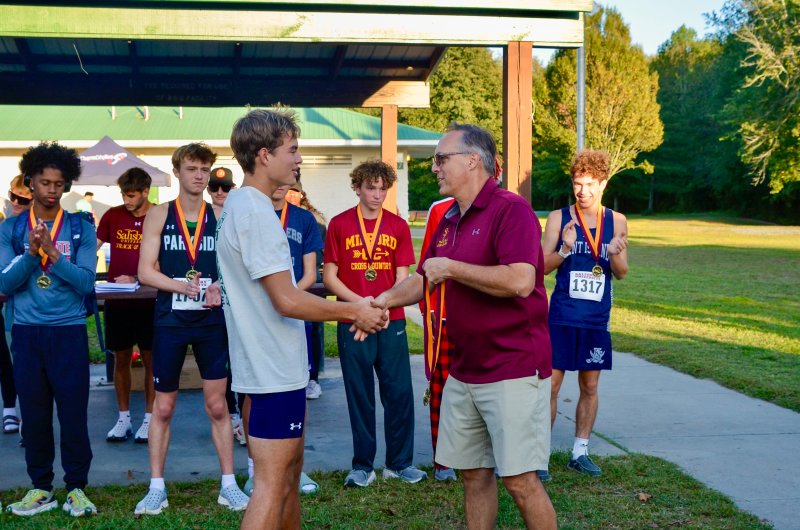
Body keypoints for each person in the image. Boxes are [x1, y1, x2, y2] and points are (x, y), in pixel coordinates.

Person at [373, 123, 557, 529]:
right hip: (464, 368)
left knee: (520, 479)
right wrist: (382, 301)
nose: (434, 168)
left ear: (473, 160)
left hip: (512, 367)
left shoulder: (512, 210)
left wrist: (453, 268)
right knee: (473, 473)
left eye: (441, 159)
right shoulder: (449, 217)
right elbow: (424, 278)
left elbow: (520, 280)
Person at [218, 107, 386, 530]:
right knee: (272, 485)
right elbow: (287, 301)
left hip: (272, 369)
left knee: (288, 476)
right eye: (292, 150)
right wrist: (354, 310)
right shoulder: (255, 212)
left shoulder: (243, 205)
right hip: (272, 370)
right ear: (263, 155)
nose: (299, 160)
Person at [135, 143, 249, 515]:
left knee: (218, 406)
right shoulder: (158, 214)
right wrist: (178, 285)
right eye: (191, 168)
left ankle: (229, 485)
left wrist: (220, 286)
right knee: (163, 408)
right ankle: (156, 488)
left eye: (204, 168)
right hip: (170, 320)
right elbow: (145, 271)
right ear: (177, 172)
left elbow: (237, 270)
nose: (199, 175)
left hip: (210, 322)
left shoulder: (221, 215)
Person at [0, 142, 98, 517]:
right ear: (30, 182)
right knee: (35, 415)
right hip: (26, 333)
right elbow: (5, 285)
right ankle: (41, 488)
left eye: (59, 183)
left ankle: (76, 488)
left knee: (73, 414)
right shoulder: (10, 229)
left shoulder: (80, 227)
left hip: (69, 331)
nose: (52, 190)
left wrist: (53, 254)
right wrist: (30, 253)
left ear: (67, 185)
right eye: (44, 182)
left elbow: (87, 283)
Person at [324, 159, 426, 488]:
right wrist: (359, 305)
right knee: (360, 394)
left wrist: (380, 304)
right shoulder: (339, 225)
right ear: (357, 187)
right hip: (353, 319)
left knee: (398, 393)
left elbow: (403, 278)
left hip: (388, 317)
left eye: (384, 188)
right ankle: (362, 466)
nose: (378, 194)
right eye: (371, 187)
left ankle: (399, 463)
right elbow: (329, 276)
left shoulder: (396, 226)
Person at [542, 148, 629, 477]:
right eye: (578, 183)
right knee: (550, 387)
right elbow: (540, 267)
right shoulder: (558, 218)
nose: (584, 191)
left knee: (590, 387)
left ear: (603, 183)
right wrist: (564, 248)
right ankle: (540, 456)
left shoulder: (617, 221)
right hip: (562, 316)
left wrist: (616, 253)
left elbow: (621, 272)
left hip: (595, 320)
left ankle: (580, 452)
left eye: (591, 184)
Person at [96, 167, 156, 444]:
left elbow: (165, 258)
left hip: (149, 299)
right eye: (123, 194)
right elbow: (92, 247)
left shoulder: (159, 215)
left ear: (145, 192)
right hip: (117, 299)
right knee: (120, 359)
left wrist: (137, 276)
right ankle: (123, 419)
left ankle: (149, 419)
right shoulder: (112, 215)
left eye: (131, 195)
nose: (127, 199)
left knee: (150, 361)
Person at [417, 196, 457, 482]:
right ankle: (443, 460)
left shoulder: (506, 208)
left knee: (485, 390)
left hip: (483, 321)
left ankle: (485, 457)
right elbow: (426, 267)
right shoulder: (440, 209)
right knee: (442, 389)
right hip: (443, 315)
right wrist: (428, 310)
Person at [208, 166, 247, 447]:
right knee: (218, 365)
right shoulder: (200, 217)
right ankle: (230, 415)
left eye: (225, 188)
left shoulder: (238, 216)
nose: (219, 192)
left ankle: (243, 418)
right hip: (208, 301)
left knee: (240, 361)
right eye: (214, 187)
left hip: (236, 300)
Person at [285, 179, 326, 400]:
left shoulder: (312, 221)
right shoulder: (268, 215)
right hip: (278, 290)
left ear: (302, 194)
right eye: (288, 190)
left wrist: (293, 291)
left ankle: (312, 377)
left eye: (295, 191)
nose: (291, 195)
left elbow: (318, 259)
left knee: (312, 332)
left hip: (306, 288)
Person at [0, 175, 31, 435]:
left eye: (22, 199)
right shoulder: (6, 226)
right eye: (13, 197)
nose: (16, 203)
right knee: (9, 359)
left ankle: (26, 417)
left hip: (35, 302)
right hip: (9, 303)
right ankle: (11, 410)